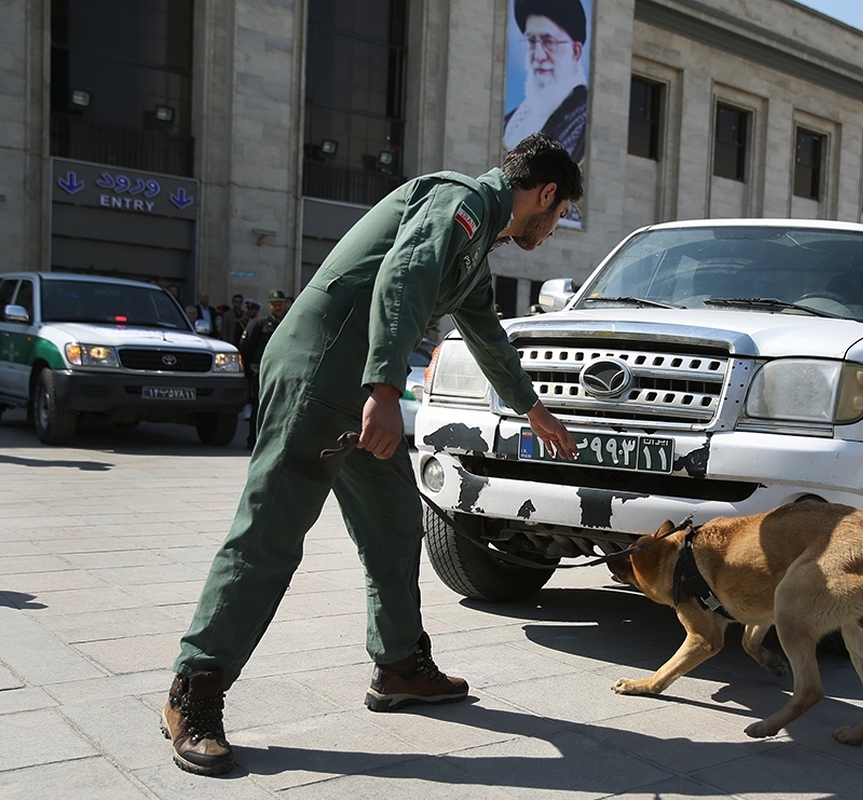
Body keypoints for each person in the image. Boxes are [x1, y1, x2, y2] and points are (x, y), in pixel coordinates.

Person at [161, 133, 584, 777]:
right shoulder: (460, 203)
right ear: (546, 193)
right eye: (559, 216)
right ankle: (193, 692)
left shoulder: (473, 248)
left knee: (393, 520)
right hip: (323, 376)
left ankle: (400, 667)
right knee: (271, 533)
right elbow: (403, 276)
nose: (554, 231)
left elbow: (486, 334)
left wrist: (532, 409)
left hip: (359, 390)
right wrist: (385, 389)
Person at [503, 0, 588, 163]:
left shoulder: (582, 118)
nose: (539, 56)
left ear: (575, 51)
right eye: (532, 42)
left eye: (549, 42)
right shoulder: (511, 121)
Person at [239, 290, 289, 451]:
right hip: (261, 373)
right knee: (260, 407)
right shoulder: (259, 324)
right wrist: (250, 370)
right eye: (274, 304)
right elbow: (245, 348)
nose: (278, 307)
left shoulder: (290, 322)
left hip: (284, 373)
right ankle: (253, 441)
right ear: (269, 306)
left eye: (280, 304)